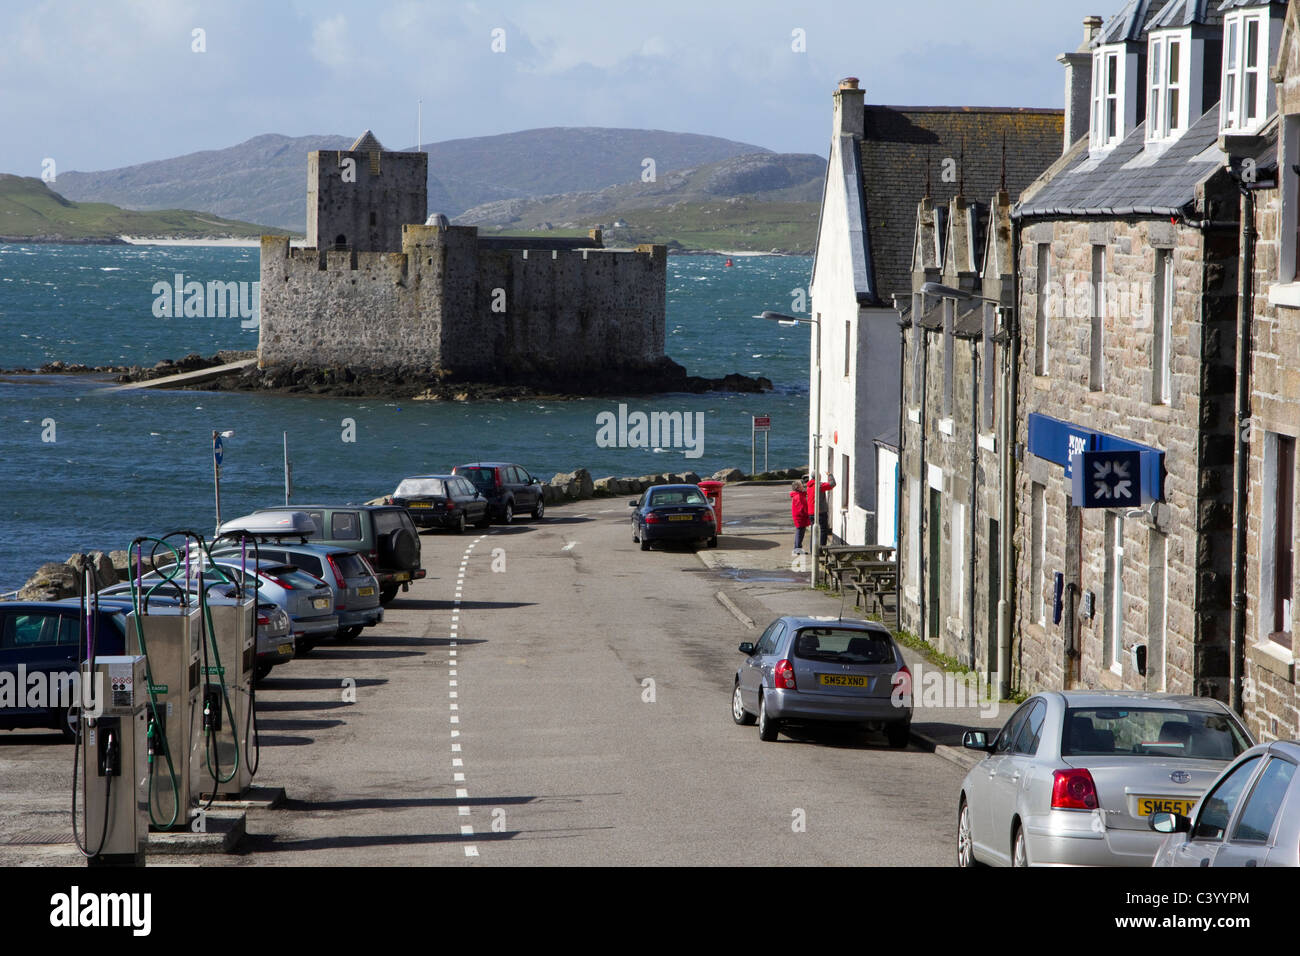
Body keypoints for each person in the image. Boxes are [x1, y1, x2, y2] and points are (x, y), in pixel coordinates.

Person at [805, 472, 836, 548]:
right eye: (820, 476)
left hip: (811, 512)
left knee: (813, 531)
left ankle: (813, 549)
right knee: (823, 530)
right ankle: (822, 549)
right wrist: (830, 475)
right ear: (818, 477)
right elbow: (832, 484)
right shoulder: (819, 485)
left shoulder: (808, 486)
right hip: (820, 511)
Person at [790, 480, 809, 554]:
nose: (803, 487)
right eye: (801, 486)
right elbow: (801, 508)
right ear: (798, 488)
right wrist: (807, 513)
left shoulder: (798, 495)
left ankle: (797, 548)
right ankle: (797, 548)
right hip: (800, 517)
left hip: (799, 517)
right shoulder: (798, 496)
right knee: (800, 533)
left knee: (800, 532)